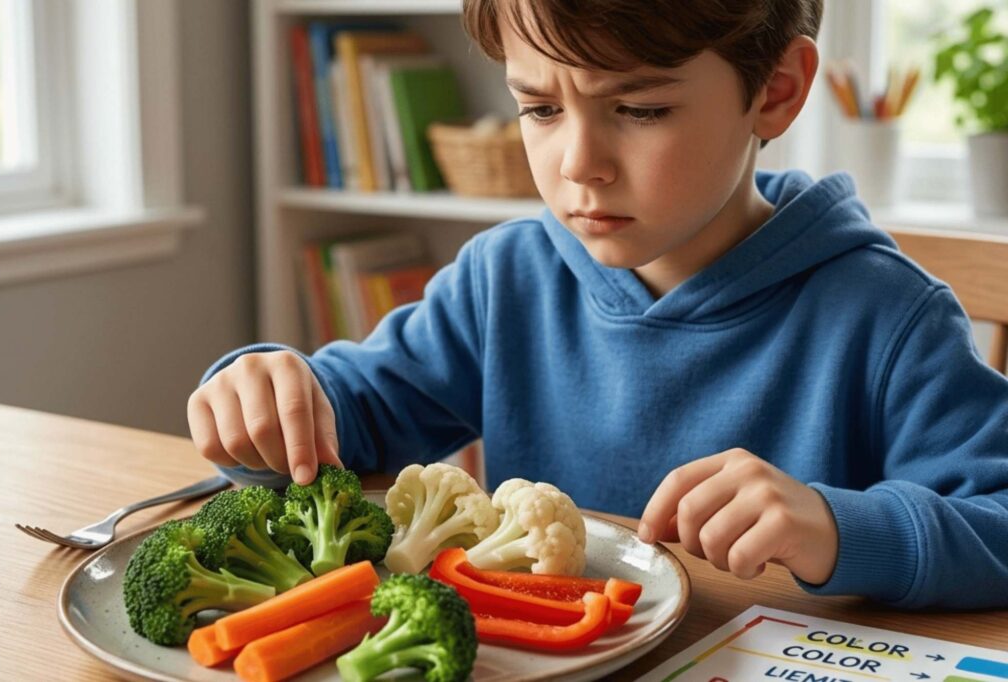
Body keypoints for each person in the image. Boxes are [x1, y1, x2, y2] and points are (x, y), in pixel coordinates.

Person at [187, 0, 1008, 608]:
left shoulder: (887, 316)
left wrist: (838, 527)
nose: (578, 163)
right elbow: (350, 414)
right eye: (539, 108)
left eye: (639, 109)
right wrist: (265, 391)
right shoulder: (504, 277)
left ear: (777, 91)